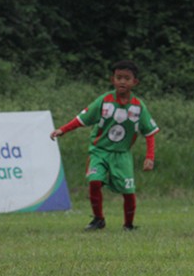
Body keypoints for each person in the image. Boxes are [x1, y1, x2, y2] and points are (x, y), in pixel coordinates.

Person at [50, 60, 158, 232]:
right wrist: (62, 130)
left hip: (122, 154)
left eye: (127, 78)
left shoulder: (138, 107)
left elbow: (150, 132)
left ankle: (128, 225)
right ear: (112, 79)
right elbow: (82, 119)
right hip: (99, 151)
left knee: (128, 192)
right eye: (119, 77)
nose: (122, 81)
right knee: (94, 181)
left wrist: (149, 157)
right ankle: (98, 219)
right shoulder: (104, 101)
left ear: (135, 82)